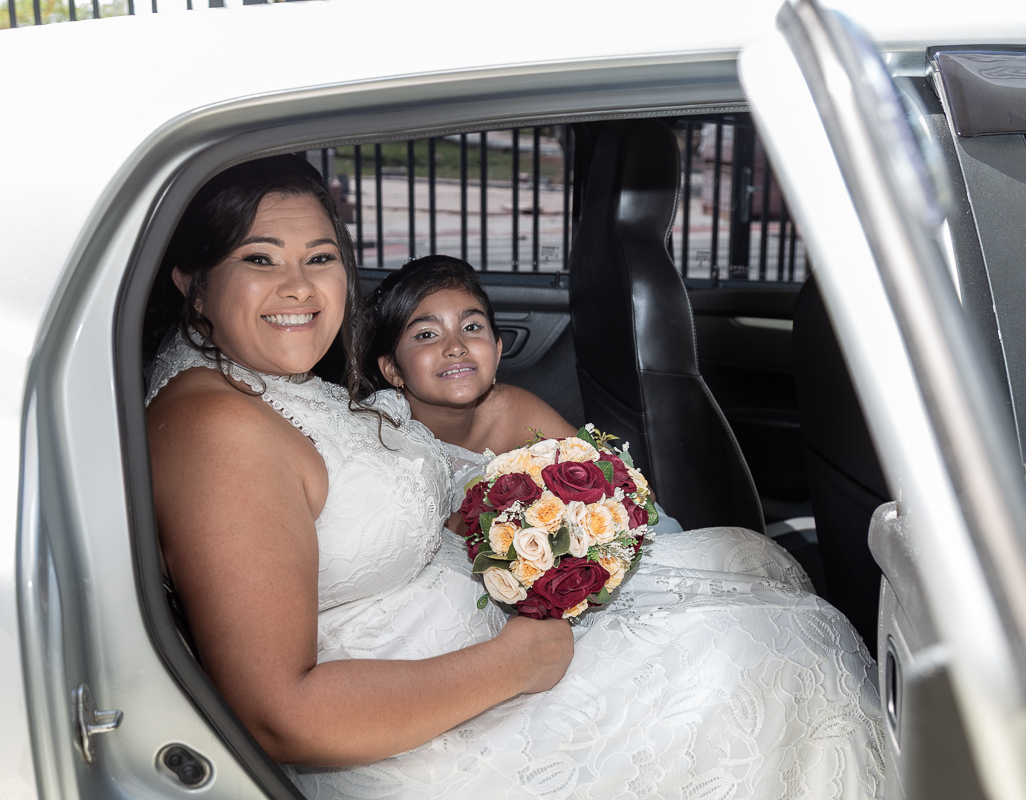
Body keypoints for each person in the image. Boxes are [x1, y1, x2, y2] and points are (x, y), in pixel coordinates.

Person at [146, 155, 884, 799]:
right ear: (193, 283)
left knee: (752, 579)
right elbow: (282, 716)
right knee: (780, 659)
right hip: (430, 734)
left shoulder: (265, 383)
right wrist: (514, 663)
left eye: (320, 257)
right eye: (260, 259)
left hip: (472, 655)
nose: (299, 288)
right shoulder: (220, 431)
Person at [365, 254, 684, 536]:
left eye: (471, 327)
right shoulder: (375, 436)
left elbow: (633, 491)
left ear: (497, 349)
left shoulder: (513, 409)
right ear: (392, 369)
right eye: (427, 334)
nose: (456, 347)